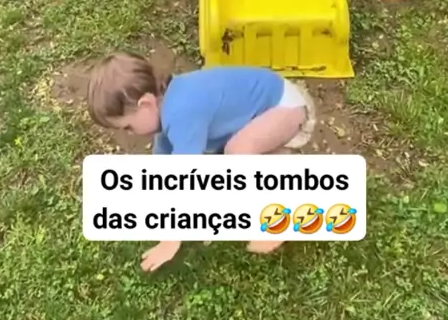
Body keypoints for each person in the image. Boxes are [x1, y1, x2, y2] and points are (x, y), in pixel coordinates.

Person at [87, 53, 316, 272]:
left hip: (285, 109)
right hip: (262, 111)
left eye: (128, 126)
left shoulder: (182, 113)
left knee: (238, 152)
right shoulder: (168, 106)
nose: (129, 133)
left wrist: (170, 241)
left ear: (146, 104)